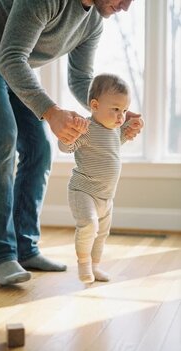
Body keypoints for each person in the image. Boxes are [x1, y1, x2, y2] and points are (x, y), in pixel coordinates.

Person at [0, 0, 143, 285]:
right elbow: (10, 57)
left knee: (39, 150)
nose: (126, 6)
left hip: (17, 63)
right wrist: (52, 113)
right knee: (2, 139)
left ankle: (26, 248)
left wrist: (115, 113)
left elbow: (81, 80)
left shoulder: (93, 21)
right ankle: (3, 254)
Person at [59, 73, 143, 283]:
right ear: (95, 105)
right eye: (116, 109)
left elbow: (120, 139)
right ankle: (83, 264)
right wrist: (69, 134)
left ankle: (95, 266)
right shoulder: (86, 129)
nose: (121, 116)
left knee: (102, 234)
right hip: (83, 190)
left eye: (124, 110)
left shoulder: (114, 130)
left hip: (106, 197)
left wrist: (131, 127)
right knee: (88, 225)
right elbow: (65, 147)